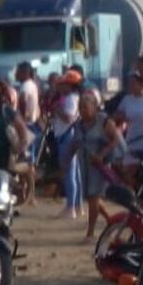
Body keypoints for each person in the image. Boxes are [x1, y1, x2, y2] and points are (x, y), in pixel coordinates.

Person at [72, 88, 125, 239]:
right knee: (91, 197)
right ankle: (111, 221)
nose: (82, 110)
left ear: (95, 107)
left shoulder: (104, 121)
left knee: (94, 197)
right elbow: (75, 143)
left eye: (85, 107)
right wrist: (67, 160)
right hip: (85, 164)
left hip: (100, 165)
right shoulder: (79, 124)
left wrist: (102, 155)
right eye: (80, 107)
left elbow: (116, 140)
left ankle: (90, 232)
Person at [52, 68, 83, 218]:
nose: (61, 86)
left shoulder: (71, 99)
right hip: (68, 136)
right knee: (75, 173)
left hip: (66, 137)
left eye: (64, 83)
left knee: (69, 173)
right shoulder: (73, 97)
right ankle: (78, 205)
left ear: (71, 85)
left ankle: (71, 207)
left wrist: (56, 110)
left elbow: (68, 118)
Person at [15, 61, 42, 203]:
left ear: (25, 72)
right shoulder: (33, 85)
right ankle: (26, 192)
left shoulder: (25, 87)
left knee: (26, 162)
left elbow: (23, 101)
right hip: (32, 124)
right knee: (28, 161)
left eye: (18, 71)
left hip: (27, 127)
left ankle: (29, 194)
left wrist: (22, 118)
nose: (16, 74)